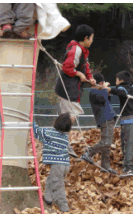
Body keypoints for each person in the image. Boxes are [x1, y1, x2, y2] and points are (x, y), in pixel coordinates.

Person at [54, 24, 96, 158]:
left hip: (73, 90)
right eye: (92, 38)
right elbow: (67, 68)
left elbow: (86, 67)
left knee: (69, 115)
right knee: (69, 116)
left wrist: (90, 78)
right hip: (67, 89)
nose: (92, 41)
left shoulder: (83, 51)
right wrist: (79, 74)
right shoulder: (76, 50)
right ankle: (61, 143)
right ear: (86, 38)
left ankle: (61, 142)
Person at [33, 113, 72, 213]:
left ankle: (64, 208)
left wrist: (31, 121)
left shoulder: (50, 133)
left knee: (57, 186)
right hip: (65, 164)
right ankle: (48, 198)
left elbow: (37, 131)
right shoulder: (65, 136)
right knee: (51, 180)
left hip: (58, 165)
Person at [80, 73, 117, 174]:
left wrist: (106, 91)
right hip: (105, 119)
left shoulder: (98, 92)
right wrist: (105, 88)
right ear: (100, 83)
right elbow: (102, 98)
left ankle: (105, 166)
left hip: (107, 118)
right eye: (102, 83)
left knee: (106, 144)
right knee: (106, 142)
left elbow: (106, 100)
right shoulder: (93, 91)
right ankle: (88, 153)